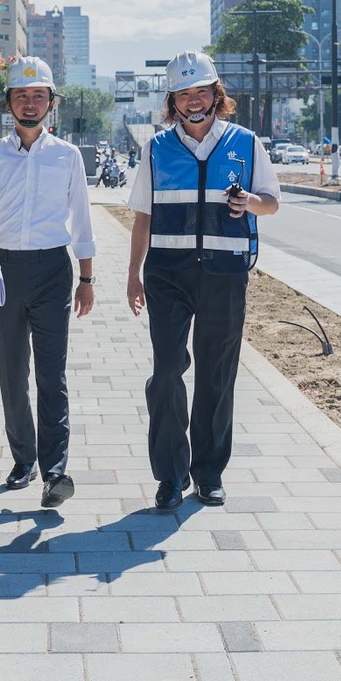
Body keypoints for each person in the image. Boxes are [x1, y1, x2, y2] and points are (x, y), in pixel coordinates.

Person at [126, 50, 279, 511]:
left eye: (202, 91)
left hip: (225, 274)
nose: (194, 101)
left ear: (217, 94)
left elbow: (272, 202)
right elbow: (141, 217)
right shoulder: (156, 148)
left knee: (217, 374)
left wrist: (252, 202)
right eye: (184, 94)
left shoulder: (246, 143)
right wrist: (132, 276)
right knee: (168, 370)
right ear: (174, 100)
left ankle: (208, 474)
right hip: (167, 275)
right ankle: (170, 476)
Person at [0, 57, 96, 509]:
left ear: (52, 103)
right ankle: (24, 459)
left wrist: (87, 278)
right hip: (4, 270)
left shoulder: (68, 156)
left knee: (51, 375)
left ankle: (55, 471)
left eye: (39, 95)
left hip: (54, 271)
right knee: (13, 371)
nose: (31, 103)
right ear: (9, 104)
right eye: (22, 95)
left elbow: (82, 220)